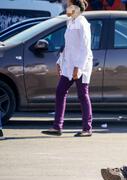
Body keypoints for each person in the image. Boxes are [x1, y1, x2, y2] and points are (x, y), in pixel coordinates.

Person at [42, 0, 93, 137]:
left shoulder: (83, 23)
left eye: (69, 4)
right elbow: (67, 45)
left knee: (82, 95)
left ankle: (87, 129)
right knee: (60, 92)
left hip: (81, 65)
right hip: (69, 64)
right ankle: (57, 127)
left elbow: (85, 48)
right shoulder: (70, 22)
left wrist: (78, 67)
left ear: (75, 7)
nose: (66, 7)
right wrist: (60, 61)